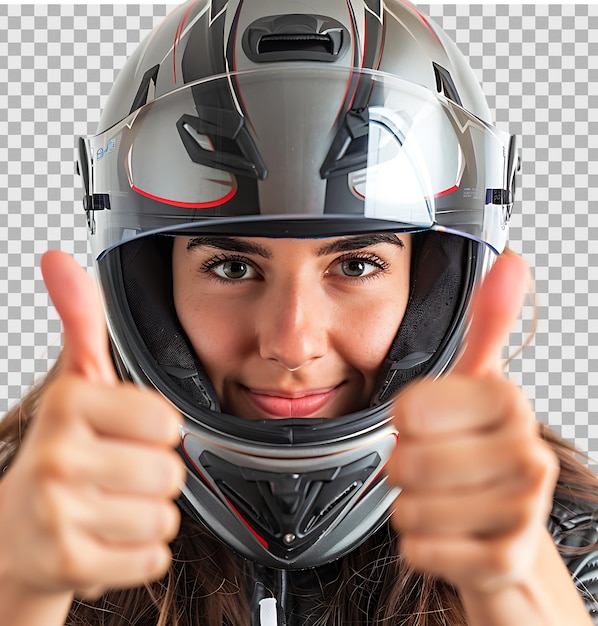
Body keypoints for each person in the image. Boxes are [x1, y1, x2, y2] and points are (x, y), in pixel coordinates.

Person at [1, 1, 597, 624]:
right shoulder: (22, 516)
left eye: (357, 265)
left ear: (432, 287)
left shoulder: (568, 541)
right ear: (146, 285)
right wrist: (18, 587)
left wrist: (519, 588)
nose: (291, 342)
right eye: (232, 267)